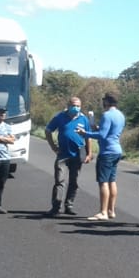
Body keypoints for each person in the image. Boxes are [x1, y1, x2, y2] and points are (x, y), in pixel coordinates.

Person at [78, 93, 125, 221]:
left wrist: (85, 133)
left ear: (107, 102)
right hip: (116, 150)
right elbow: (109, 131)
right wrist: (94, 126)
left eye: (103, 101)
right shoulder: (120, 115)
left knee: (103, 182)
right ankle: (111, 210)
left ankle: (103, 212)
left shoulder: (107, 115)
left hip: (107, 152)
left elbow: (102, 135)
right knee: (112, 180)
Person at [45, 96, 92, 216]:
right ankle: (56, 207)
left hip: (77, 154)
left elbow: (88, 137)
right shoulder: (60, 117)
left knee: (74, 181)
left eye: (78, 106)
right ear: (68, 105)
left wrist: (89, 153)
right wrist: (53, 146)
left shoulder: (83, 119)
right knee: (59, 180)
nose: (76, 108)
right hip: (63, 154)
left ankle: (69, 205)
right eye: (73, 105)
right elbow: (48, 130)